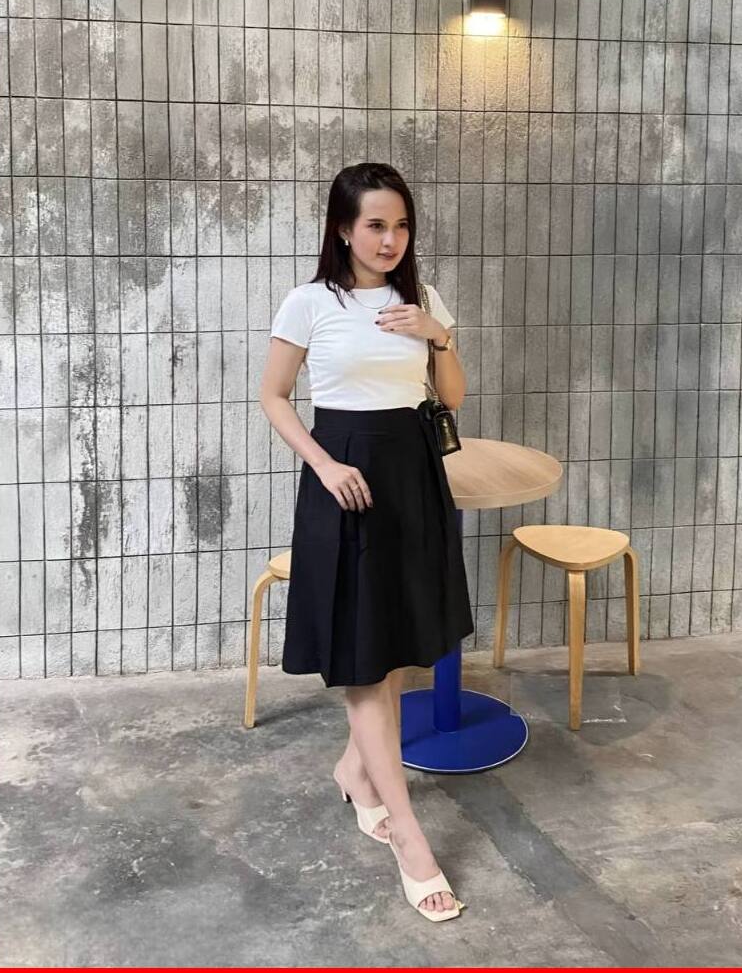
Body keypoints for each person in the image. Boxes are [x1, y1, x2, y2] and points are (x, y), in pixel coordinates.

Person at [259, 163, 474, 923]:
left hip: (412, 476)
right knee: (362, 658)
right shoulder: (310, 301)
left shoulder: (422, 300)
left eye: (401, 225)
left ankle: (355, 772)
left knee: (398, 645)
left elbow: (451, 397)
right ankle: (409, 836)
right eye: (376, 225)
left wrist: (437, 335)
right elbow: (274, 395)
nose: (390, 240)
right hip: (345, 478)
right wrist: (323, 464)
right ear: (343, 229)